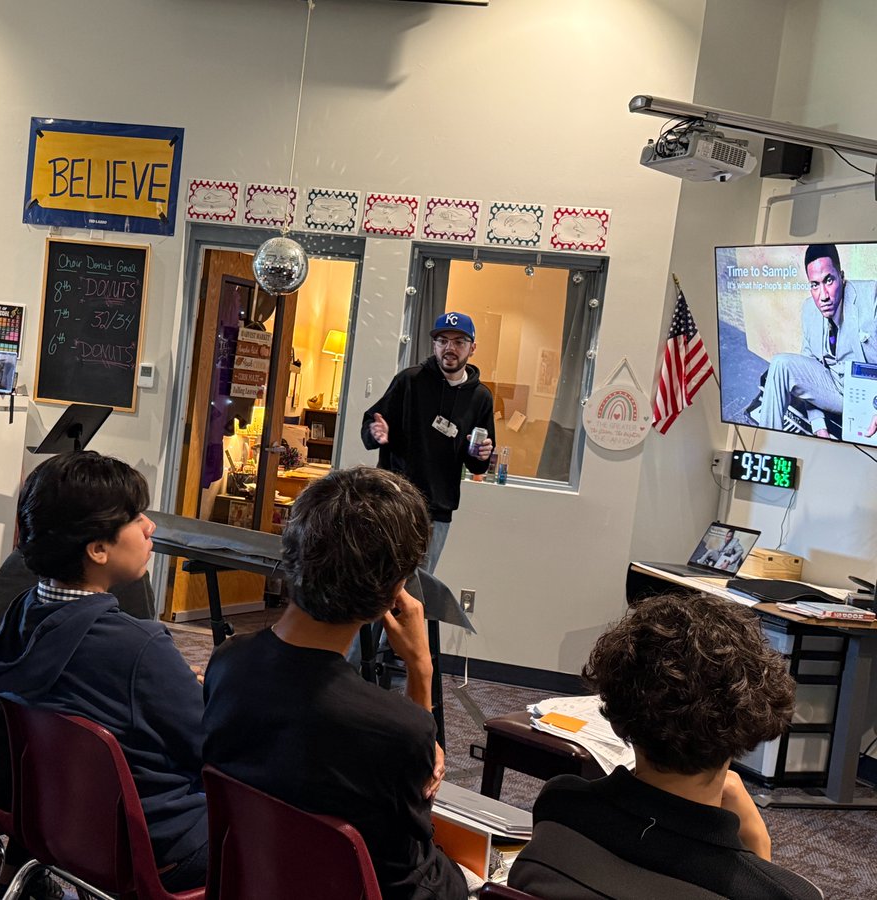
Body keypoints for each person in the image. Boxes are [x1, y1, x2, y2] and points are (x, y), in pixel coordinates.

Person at [203, 466, 480, 900]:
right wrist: (420, 672)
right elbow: (418, 837)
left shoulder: (226, 664)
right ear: (394, 593)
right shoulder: (397, 727)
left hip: (258, 878)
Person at [0, 452, 208, 892]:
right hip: (159, 843)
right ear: (98, 548)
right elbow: (211, 747)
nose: (149, 527)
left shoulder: (21, 614)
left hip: (65, 825)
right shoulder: (138, 647)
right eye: (134, 517)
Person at [509, 593, 820, 900]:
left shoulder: (560, 804)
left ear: (617, 717)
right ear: (751, 726)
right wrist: (758, 854)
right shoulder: (782, 893)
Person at [361, 311, 494, 573]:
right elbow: (370, 425)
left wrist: (481, 457)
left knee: (421, 585)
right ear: (434, 345)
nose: (450, 348)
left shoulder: (480, 397)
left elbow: (477, 464)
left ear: (472, 348)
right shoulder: (409, 381)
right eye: (443, 341)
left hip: (438, 509)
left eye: (459, 342)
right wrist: (376, 431)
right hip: (393, 502)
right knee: (381, 579)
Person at [752, 243, 877, 438]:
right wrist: (819, 426)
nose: (823, 296)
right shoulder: (809, 310)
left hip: (869, 397)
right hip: (834, 390)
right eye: (815, 285)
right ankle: (767, 446)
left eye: (829, 280)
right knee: (780, 364)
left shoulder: (871, 297)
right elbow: (809, 373)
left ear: (841, 277)